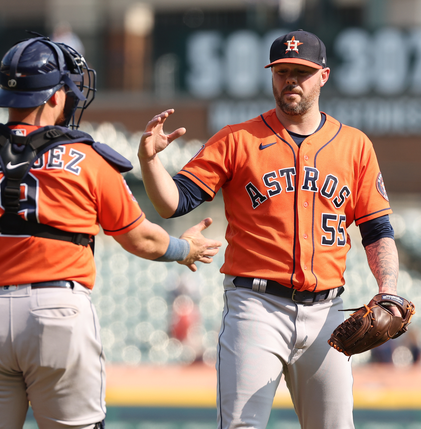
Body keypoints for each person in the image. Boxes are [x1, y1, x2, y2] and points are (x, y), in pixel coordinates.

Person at [0, 35, 221, 429]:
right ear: (54, 96)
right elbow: (140, 238)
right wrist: (185, 249)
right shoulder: (87, 157)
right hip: (58, 312)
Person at [137, 30, 400, 428]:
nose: (290, 80)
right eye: (281, 72)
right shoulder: (237, 139)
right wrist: (151, 162)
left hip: (328, 309)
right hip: (256, 308)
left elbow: (378, 230)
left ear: (323, 76)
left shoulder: (354, 145)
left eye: (301, 72)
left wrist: (388, 290)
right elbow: (173, 202)